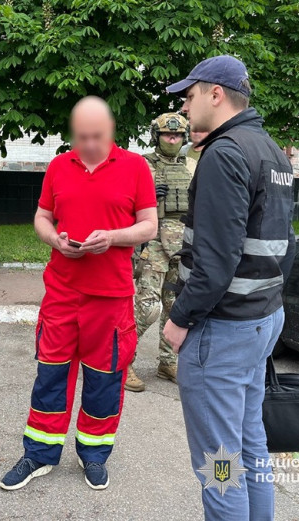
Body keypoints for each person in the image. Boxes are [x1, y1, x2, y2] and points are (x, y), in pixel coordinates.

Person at [0, 96, 157, 492]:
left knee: (104, 380)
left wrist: (113, 238)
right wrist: (55, 238)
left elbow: (149, 225)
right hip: (62, 292)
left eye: (96, 136)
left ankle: (94, 455)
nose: (88, 144)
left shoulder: (136, 167)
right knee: (50, 375)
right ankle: (39, 453)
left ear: (111, 132)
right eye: (81, 136)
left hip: (111, 296)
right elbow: (42, 216)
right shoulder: (58, 166)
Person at [162, 55, 295, 520]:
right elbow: (286, 246)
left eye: (190, 94)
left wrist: (180, 319)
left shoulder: (224, 153)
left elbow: (215, 263)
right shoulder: (270, 150)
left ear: (215, 94)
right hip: (261, 320)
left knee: (220, 463)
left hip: (222, 331)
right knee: (249, 444)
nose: (184, 105)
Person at [127, 113, 197, 391]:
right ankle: (121, 363)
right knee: (147, 307)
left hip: (183, 244)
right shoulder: (141, 165)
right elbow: (124, 204)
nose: (173, 139)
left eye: (178, 135)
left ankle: (168, 362)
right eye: (168, 134)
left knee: (174, 306)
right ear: (156, 137)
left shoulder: (192, 165)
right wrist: (146, 196)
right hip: (153, 243)